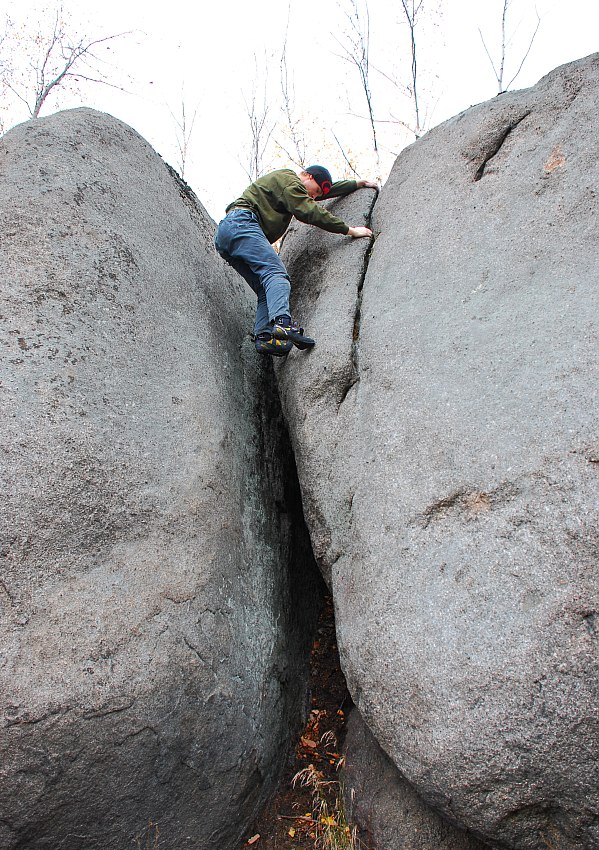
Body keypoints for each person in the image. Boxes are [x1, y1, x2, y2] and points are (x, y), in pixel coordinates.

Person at [214, 165, 376, 356]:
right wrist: (349, 230)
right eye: (315, 192)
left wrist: (356, 184)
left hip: (228, 236)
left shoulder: (292, 187)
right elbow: (309, 210)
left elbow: (320, 193)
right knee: (276, 275)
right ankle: (282, 322)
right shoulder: (288, 178)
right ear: (307, 175)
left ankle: (265, 338)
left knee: (265, 289)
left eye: (317, 195)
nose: (314, 198)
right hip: (242, 223)